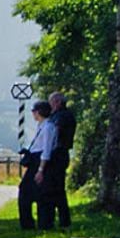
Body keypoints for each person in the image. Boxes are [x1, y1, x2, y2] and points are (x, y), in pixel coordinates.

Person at [16, 99, 57, 230]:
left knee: (28, 192)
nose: (33, 114)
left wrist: (40, 170)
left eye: (34, 111)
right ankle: (30, 223)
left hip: (40, 163)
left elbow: (46, 149)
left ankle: (37, 223)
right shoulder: (42, 126)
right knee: (29, 192)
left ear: (39, 112)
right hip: (35, 160)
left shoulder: (48, 127)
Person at [41, 91, 74, 229]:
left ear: (58, 102)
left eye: (51, 102)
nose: (50, 106)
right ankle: (57, 220)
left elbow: (56, 136)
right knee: (55, 189)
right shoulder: (60, 116)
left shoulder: (61, 117)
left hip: (58, 156)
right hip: (59, 155)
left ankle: (61, 220)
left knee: (56, 190)